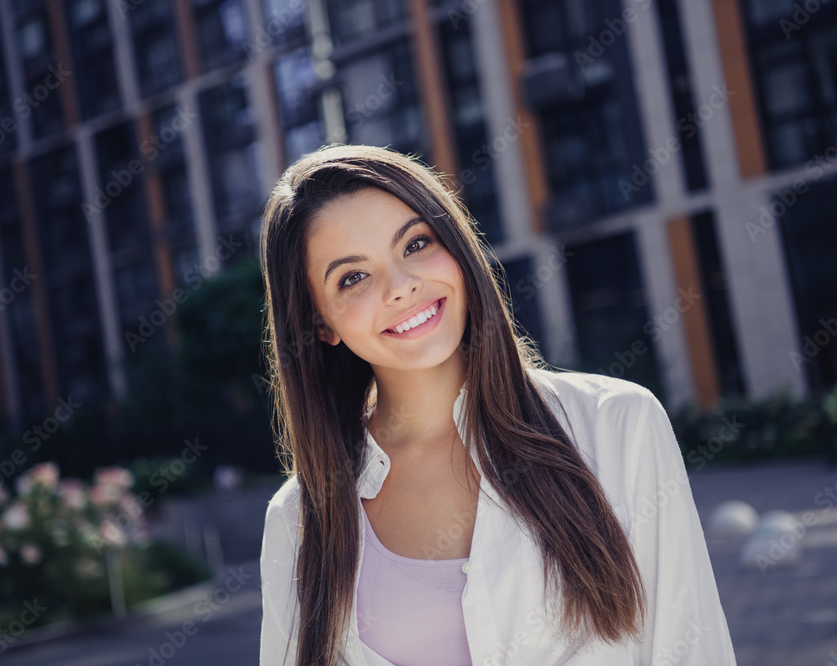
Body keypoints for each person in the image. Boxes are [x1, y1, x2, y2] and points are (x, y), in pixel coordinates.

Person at [258, 143, 737, 666]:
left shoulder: (616, 425)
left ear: (459, 249)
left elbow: (693, 648)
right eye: (353, 277)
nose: (402, 287)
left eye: (416, 244)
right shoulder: (299, 521)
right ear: (320, 323)